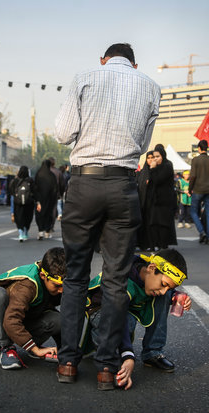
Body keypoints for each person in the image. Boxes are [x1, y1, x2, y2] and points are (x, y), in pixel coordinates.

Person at [54, 42, 160, 388]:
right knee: (115, 280)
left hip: (84, 184)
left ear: (103, 59)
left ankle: (68, 363)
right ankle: (105, 367)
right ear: (134, 63)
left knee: (74, 276)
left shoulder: (84, 77)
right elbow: (143, 145)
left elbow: (64, 133)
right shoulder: (150, 86)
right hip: (123, 185)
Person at [83, 248, 191, 390]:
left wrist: (174, 295)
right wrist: (128, 355)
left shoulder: (148, 272)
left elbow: (164, 288)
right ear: (151, 268)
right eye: (164, 285)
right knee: (122, 335)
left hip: (127, 310)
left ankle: (153, 353)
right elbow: (117, 318)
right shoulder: (122, 278)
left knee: (163, 297)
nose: (164, 290)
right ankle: (109, 354)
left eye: (169, 287)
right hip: (102, 313)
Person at [0, 247, 66, 369]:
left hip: (27, 317)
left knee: (60, 319)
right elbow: (11, 320)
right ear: (42, 276)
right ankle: (7, 348)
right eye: (57, 286)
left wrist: (65, 348)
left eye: (63, 286)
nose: (61, 290)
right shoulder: (26, 286)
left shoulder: (56, 275)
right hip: (2, 319)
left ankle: (33, 346)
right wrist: (37, 351)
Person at [143, 146, 177, 250]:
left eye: (158, 156)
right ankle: (154, 245)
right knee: (154, 224)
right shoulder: (155, 167)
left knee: (163, 224)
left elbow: (158, 179)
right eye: (154, 157)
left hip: (165, 201)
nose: (155, 159)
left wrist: (153, 169)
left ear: (163, 156)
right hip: (155, 201)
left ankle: (163, 245)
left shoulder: (167, 165)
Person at [189, 139, 209, 245]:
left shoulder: (195, 160)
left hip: (198, 189)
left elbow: (193, 176)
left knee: (193, 212)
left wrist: (189, 189)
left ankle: (202, 231)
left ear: (199, 148)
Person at [9, 166, 36, 242]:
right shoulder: (30, 180)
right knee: (28, 218)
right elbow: (34, 191)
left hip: (18, 203)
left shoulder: (15, 181)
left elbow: (11, 191)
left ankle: (20, 233)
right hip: (29, 203)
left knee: (19, 218)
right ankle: (25, 232)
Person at [34, 159, 58, 240]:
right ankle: (47, 232)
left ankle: (40, 231)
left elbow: (35, 187)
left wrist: (36, 198)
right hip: (50, 200)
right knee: (48, 214)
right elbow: (55, 188)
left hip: (40, 200)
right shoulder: (51, 175)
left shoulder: (38, 174)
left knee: (39, 214)